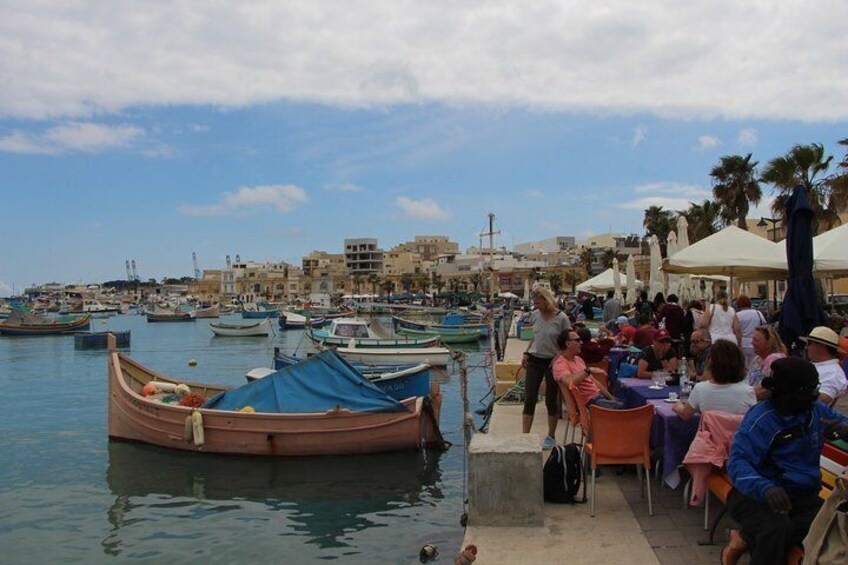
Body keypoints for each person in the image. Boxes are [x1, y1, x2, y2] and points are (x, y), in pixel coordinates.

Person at [723, 357, 848, 565]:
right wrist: (765, 488)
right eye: (809, 389)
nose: (816, 394)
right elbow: (738, 464)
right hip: (755, 495)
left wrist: (844, 429)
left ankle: (744, 538)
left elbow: (841, 420)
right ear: (790, 393)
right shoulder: (761, 419)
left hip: (801, 494)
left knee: (828, 525)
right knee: (776, 530)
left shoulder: (814, 409)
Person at [521, 288, 572, 449]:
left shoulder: (561, 318)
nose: (536, 306)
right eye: (534, 303)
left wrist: (560, 355)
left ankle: (551, 436)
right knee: (529, 397)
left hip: (552, 362)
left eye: (538, 302)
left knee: (551, 399)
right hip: (534, 359)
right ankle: (525, 436)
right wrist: (526, 352)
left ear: (546, 300)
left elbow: (569, 341)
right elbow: (536, 336)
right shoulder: (535, 315)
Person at [673, 340, 755, 420]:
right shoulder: (748, 391)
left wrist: (677, 406)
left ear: (711, 363)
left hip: (711, 433)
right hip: (737, 433)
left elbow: (685, 414)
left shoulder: (700, 389)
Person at [552, 330, 623, 409]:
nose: (581, 343)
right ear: (568, 344)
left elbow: (594, 382)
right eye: (578, 340)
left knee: (629, 402)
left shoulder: (578, 359)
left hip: (598, 398)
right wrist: (588, 370)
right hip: (589, 403)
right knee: (628, 408)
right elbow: (569, 383)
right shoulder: (560, 364)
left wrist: (611, 397)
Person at [801, 326, 847, 406]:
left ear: (822, 346)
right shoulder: (821, 366)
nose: (806, 347)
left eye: (809, 343)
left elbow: (819, 402)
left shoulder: (832, 374)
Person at [745, 324, 787, 399]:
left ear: (768, 343)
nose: (752, 343)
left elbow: (765, 389)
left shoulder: (773, 359)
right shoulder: (757, 358)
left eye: (756, 340)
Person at [735, 295, 767, 370]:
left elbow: (735, 330)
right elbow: (764, 325)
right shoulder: (758, 313)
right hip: (756, 342)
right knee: (756, 365)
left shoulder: (737, 315)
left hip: (742, 343)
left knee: (743, 366)